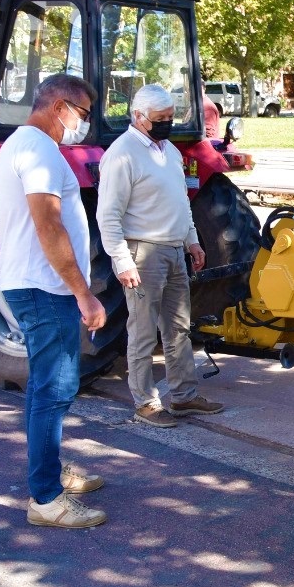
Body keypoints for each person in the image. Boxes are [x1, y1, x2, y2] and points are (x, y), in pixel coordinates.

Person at [0, 73, 108, 528]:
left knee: (47, 387)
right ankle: (45, 499)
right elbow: (49, 226)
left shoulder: (22, 145)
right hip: (45, 288)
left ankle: (50, 472)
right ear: (59, 106)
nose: (84, 124)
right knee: (55, 388)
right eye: (82, 114)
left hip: (37, 284)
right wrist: (84, 293)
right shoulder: (39, 150)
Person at [97, 84, 222, 428]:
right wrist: (122, 260)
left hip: (173, 249)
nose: (167, 123)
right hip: (143, 252)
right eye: (160, 118)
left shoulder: (168, 151)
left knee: (178, 327)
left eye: (170, 116)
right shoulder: (122, 154)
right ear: (138, 116)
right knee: (142, 331)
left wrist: (192, 240)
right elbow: (108, 215)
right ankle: (146, 403)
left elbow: (180, 201)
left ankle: (183, 396)